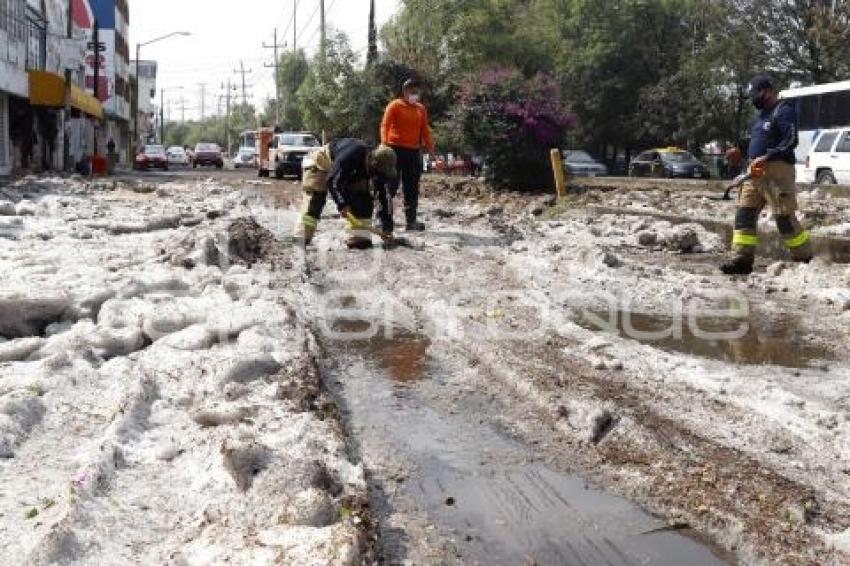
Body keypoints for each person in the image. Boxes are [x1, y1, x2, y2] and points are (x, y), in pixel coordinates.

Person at [720, 75, 813, 275]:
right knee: (744, 215)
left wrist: (768, 156)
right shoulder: (759, 117)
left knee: (784, 219)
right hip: (754, 173)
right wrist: (740, 152)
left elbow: (791, 140)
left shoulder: (784, 110)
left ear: (768, 91)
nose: (753, 99)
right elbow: (755, 142)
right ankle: (741, 260)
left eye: (756, 94)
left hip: (777, 172)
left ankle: (804, 259)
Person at [298, 139, 397, 249]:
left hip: (347, 173)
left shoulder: (378, 169)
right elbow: (332, 181)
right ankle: (302, 236)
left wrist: (387, 227)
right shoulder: (350, 155)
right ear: (372, 161)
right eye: (377, 172)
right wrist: (342, 204)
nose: (378, 176)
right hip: (321, 163)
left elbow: (384, 197)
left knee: (363, 197)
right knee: (316, 199)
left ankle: (359, 236)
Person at [379, 78, 435, 233]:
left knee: (411, 188)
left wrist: (431, 149)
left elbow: (425, 130)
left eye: (417, 92)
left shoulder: (421, 109)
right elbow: (385, 125)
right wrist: (384, 144)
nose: (415, 95)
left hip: (413, 152)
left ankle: (411, 221)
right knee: (390, 185)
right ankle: (382, 219)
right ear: (405, 92)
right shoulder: (395, 105)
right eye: (412, 92)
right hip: (394, 151)